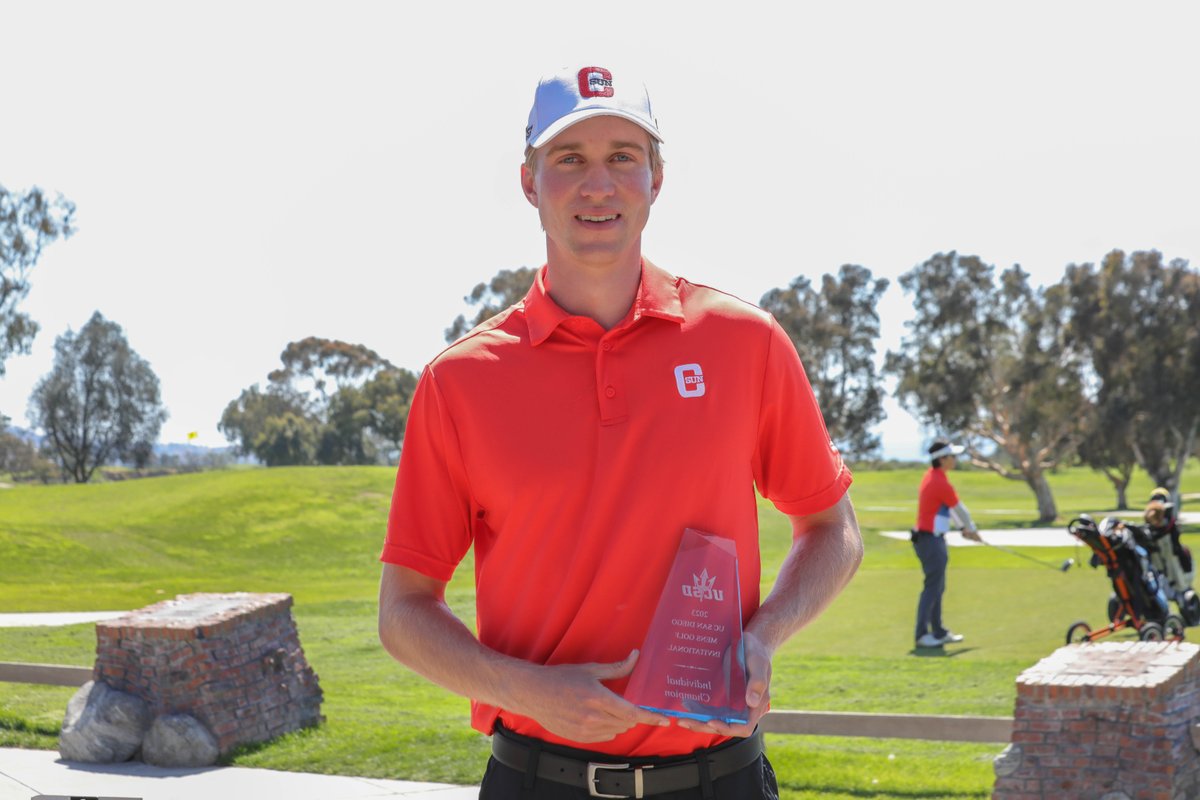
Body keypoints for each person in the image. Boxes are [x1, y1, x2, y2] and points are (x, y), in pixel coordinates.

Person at [377, 63, 862, 799]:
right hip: (537, 779)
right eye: (568, 159)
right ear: (528, 181)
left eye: (622, 158)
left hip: (720, 780)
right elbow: (404, 613)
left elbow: (832, 527)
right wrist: (530, 690)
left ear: (656, 179)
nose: (597, 184)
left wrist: (763, 638)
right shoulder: (461, 381)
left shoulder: (746, 341)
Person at [911, 440, 981, 649]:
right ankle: (922, 635)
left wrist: (964, 529)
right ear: (942, 459)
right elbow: (960, 510)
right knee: (932, 588)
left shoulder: (934, 477)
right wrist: (972, 529)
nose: (955, 460)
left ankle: (938, 631)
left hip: (931, 538)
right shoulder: (939, 482)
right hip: (929, 539)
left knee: (937, 587)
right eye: (953, 456)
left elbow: (948, 511)